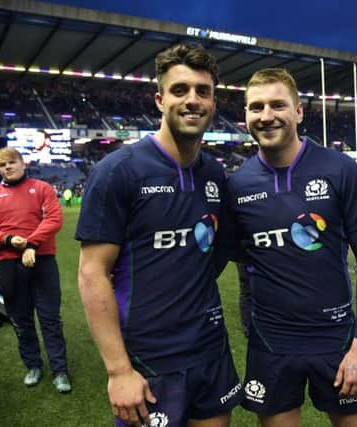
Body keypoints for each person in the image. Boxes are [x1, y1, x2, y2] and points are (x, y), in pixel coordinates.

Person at [75, 44, 242, 427]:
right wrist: (118, 371)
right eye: (180, 90)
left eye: (203, 91)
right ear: (159, 100)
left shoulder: (215, 174)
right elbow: (92, 274)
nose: (192, 100)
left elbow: (216, 251)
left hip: (210, 350)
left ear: (214, 102)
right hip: (148, 360)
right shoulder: (119, 171)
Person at [227, 68, 357, 427]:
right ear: (246, 115)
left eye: (278, 105)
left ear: (298, 111)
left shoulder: (341, 170)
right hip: (271, 341)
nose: (266, 116)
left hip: (337, 338)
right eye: (256, 107)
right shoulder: (237, 185)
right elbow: (230, 252)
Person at [0, 147, 71, 393]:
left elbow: (54, 219)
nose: (7, 167)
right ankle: (33, 366)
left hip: (42, 262)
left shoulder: (42, 189)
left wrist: (31, 244)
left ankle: (60, 370)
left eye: (11, 162)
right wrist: (8, 240)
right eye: (2, 165)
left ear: (22, 163)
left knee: (50, 320)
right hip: (10, 265)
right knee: (21, 321)